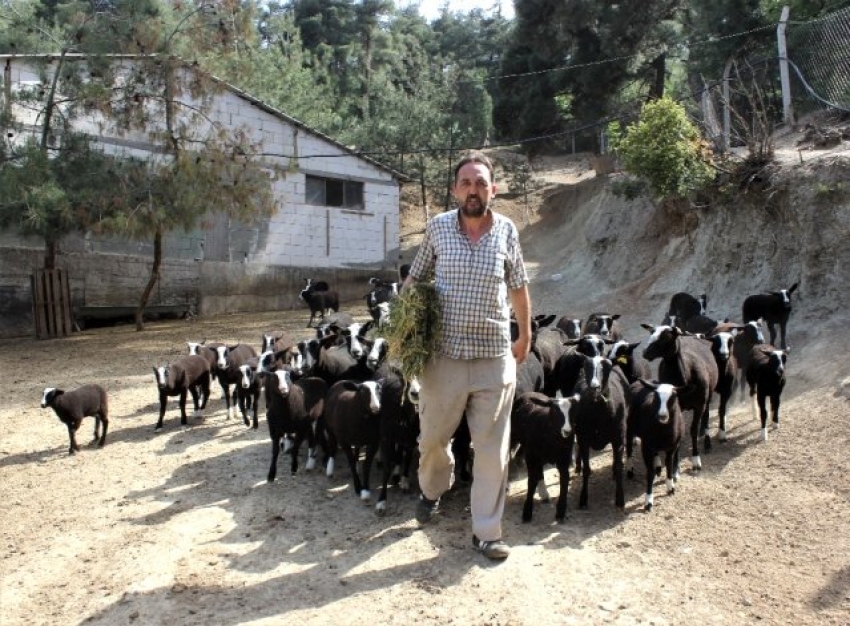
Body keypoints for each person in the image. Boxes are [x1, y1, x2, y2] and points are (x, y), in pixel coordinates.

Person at [402, 150, 531, 561]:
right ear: (456, 189)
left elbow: (518, 285)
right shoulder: (438, 228)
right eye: (466, 182)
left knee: (493, 450)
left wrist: (525, 333)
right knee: (433, 440)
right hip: (445, 358)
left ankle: (487, 532)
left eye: (481, 182)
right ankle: (432, 489)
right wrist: (401, 330)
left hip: (494, 357)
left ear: (492, 189)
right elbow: (416, 277)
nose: (473, 189)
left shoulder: (507, 231)